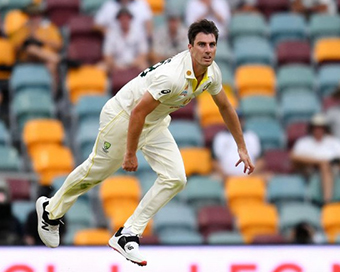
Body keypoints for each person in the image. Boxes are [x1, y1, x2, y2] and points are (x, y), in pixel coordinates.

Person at [36, 19, 254, 266]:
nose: (208, 50)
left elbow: (225, 106)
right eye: (201, 44)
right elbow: (138, 112)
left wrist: (242, 147)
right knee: (95, 173)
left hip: (155, 122)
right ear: (190, 47)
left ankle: (127, 233)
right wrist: (130, 153)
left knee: (176, 178)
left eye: (212, 45)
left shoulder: (212, 72)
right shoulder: (172, 77)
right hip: (123, 116)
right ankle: (50, 211)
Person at [291, 113, 340, 203]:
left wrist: (327, 163)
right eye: (316, 127)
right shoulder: (304, 142)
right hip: (309, 169)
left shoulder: (333, 142)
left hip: (332, 168)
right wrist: (319, 162)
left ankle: (327, 200)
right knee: (323, 165)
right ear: (311, 128)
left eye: (321, 127)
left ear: (325, 129)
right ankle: (327, 201)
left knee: (325, 166)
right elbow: (294, 157)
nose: (318, 130)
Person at [102, 7, 149, 94]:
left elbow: (143, 54)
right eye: (122, 18)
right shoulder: (111, 34)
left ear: (130, 19)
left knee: (146, 67)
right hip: (116, 65)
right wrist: (116, 66)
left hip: (134, 64)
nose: (124, 20)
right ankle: (107, 96)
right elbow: (107, 56)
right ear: (118, 20)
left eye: (126, 18)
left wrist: (132, 65)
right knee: (102, 68)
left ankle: (144, 95)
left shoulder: (139, 33)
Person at [212, 111, 263, 179]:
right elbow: (214, 161)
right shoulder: (220, 137)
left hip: (250, 177)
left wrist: (251, 175)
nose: (235, 122)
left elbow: (261, 160)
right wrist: (225, 176)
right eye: (232, 119)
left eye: (239, 119)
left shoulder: (251, 136)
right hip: (225, 179)